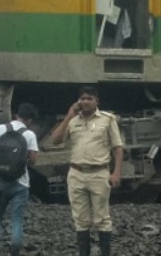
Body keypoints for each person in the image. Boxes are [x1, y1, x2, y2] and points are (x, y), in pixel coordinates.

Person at [50, 86, 125, 256]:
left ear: (97, 101)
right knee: (80, 220)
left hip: (99, 173)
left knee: (102, 218)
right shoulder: (73, 121)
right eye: (82, 98)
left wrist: (116, 173)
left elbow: (118, 148)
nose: (85, 102)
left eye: (89, 98)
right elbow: (55, 140)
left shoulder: (107, 119)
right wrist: (69, 116)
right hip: (76, 174)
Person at [0, 102, 40, 256]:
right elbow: (33, 160)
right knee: (16, 218)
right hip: (21, 183)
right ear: (30, 120)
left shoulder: (0, 129)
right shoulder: (29, 134)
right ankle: (15, 249)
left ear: (16, 115)